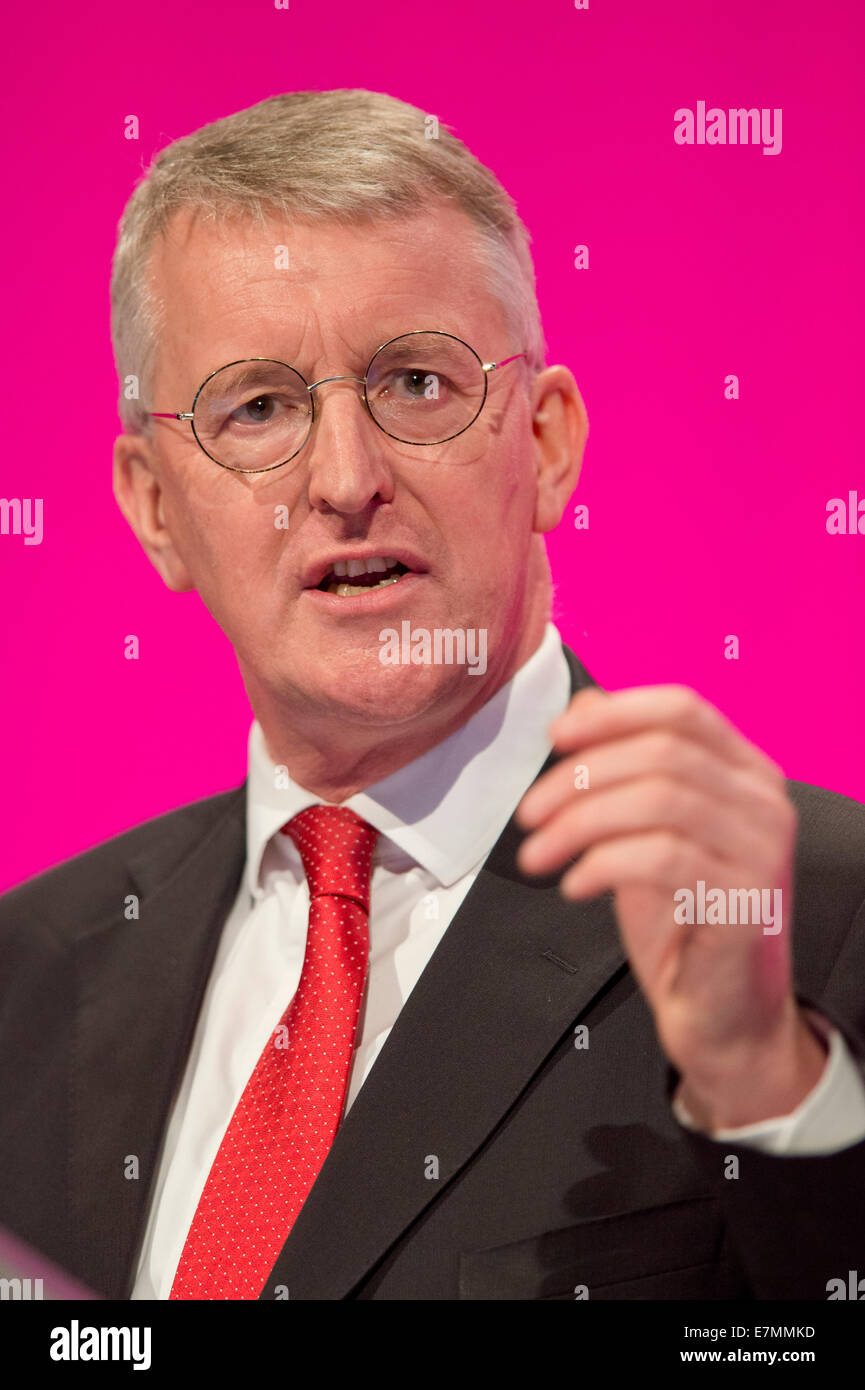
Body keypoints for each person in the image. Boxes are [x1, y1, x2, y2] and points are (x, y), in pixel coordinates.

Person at [1, 89, 864, 1302]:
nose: (347, 480)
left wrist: (767, 1088)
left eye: (416, 383)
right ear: (154, 506)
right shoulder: (29, 975)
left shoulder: (818, 913)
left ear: (547, 441)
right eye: (258, 407)